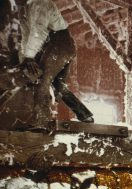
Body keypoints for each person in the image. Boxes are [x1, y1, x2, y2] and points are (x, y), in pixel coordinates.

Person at [16, 0, 94, 130]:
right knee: (57, 83)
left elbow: (38, 32)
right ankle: (85, 114)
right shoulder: (23, 9)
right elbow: (25, 36)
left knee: (43, 80)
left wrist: (29, 56)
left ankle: (41, 123)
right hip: (53, 45)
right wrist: (24, 59)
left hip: (60, 43)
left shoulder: (40, 3)